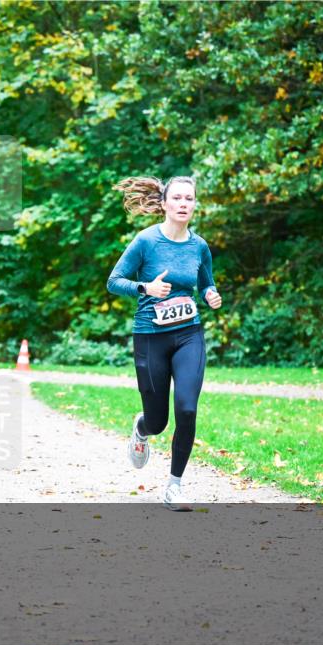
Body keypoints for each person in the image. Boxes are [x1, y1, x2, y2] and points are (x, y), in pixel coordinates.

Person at [106, 175, 223, 511]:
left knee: (186, 408)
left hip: (189, 334)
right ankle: (142, 429)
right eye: (178, 198)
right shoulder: (145, 241)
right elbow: (114, 282)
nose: (184, 204)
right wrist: (146, 289)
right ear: (165, 203)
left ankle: (174, 486)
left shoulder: (199, 246)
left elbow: (205, 283)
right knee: (158, 421)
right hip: (150, 337)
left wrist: (210, 294)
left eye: (190, 199)